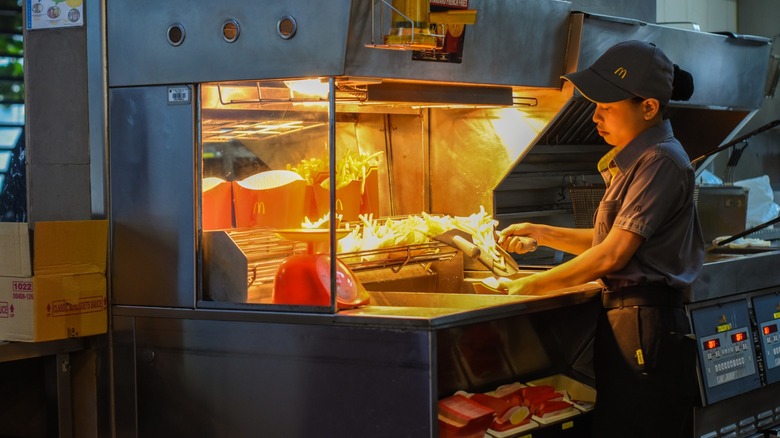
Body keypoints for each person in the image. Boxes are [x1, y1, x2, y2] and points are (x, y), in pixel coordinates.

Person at [496, 40, 704, 437]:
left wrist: (528, 287)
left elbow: (613, 255)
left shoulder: (659, 160)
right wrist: (542, 232)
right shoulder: (638, 159)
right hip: (631, 323)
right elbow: (612, 238)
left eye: (607, 107)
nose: (595, 116)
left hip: (646, 325)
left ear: (649, 107)